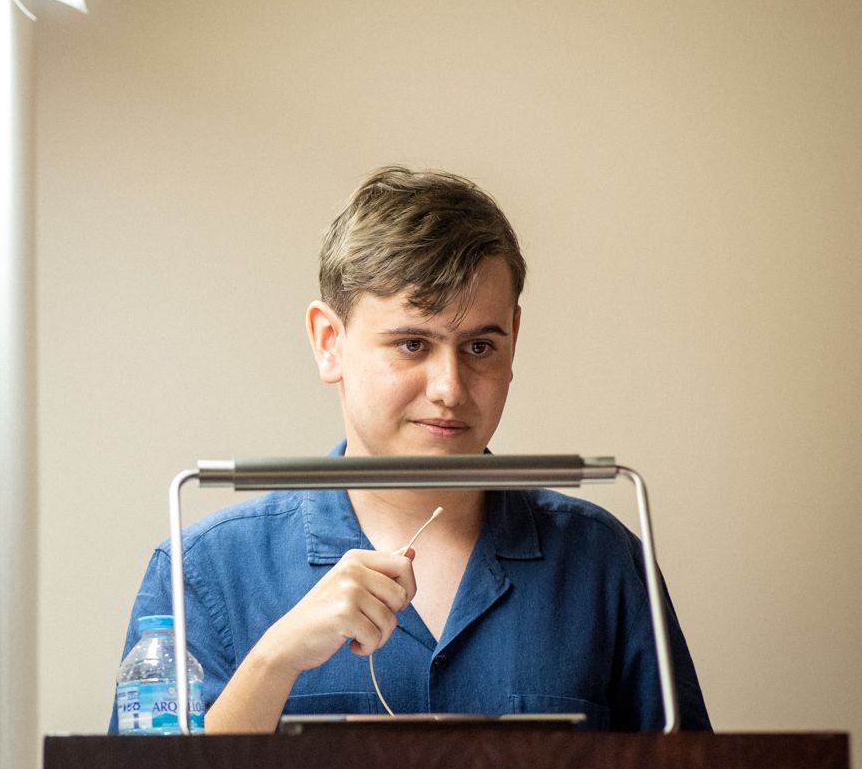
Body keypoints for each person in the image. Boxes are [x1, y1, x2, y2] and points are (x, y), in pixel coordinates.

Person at [115, 166, 710, 733]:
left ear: (514, 340)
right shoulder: (203, 571)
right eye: (412, 345)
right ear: (329, 342)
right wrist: (274, 662)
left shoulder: (604, 562)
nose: (450, 389)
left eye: (480, 347)